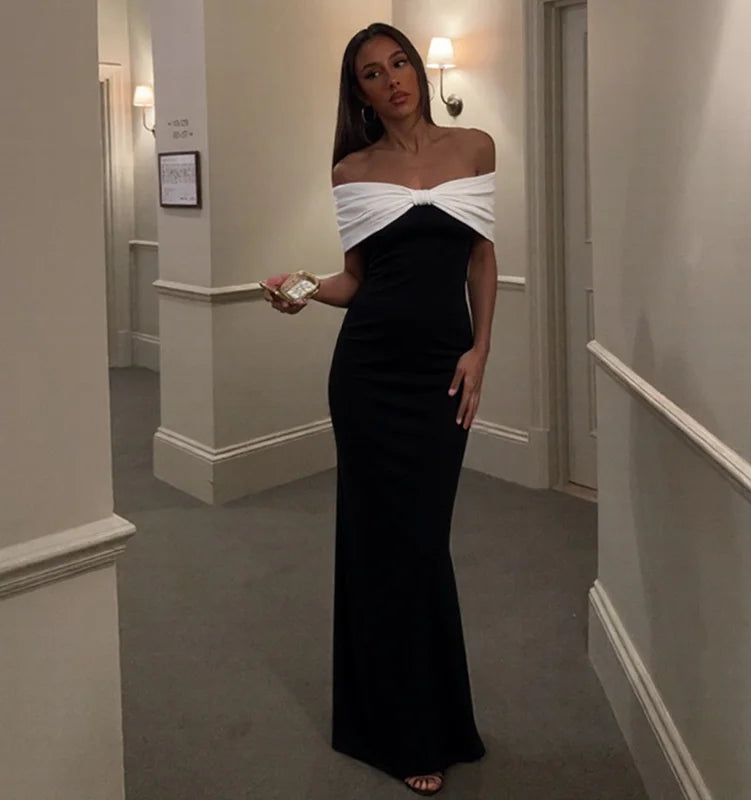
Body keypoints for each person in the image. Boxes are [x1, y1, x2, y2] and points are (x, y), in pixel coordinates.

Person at [262, 21, 498, 797]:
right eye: (372, 72)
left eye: (399, 63)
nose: (392, 79)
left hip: (440, 374)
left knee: (423, 543)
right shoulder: (351, 169)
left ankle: (437, 720)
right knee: (378, 545)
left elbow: (481, 255)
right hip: (367, 376)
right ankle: (398, 731)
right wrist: (301, 289)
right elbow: (357, 280)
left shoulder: (475, 147)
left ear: (417, 72)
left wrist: (480, 350)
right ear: (358, 92)